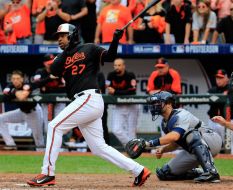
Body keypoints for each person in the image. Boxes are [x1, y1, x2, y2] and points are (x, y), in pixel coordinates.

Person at [26, 23, 151, 187]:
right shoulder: (62, 56)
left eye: (63, 36)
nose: (59, 39)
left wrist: (115, 39)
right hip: (84, 102)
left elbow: (111, 56)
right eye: (58, 37)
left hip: (88, 98)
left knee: (55, 126)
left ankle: (48, 173)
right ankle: (139, 170)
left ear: (72, 35)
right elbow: (54, 70)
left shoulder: (90, 48)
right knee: (98, 147)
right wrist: (67, 51)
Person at [145, 91, 222, 182]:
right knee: (165, 173)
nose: (155, 105)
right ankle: (198, 172)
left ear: (169, 104)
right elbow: (176, 143)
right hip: (194, 150)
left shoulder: (181, 114)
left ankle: (211, 172)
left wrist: (150, 143)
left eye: (158, 102)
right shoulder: (164, 124)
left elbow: (175, 136)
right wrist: (163, 149)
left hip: (212, 140)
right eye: (154, 103)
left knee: (191, 135)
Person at [0, 70, 44, 150]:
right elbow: (4, 95)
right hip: (21, 112)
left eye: (17, 78)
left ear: (22, 79)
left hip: (33, 112)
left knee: (38, 139)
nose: (15, 80)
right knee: (0, 119)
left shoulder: (26, 85)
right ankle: (11, 145)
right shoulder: (9, 86)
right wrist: (15, 92)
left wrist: (13, 92)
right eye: (13, 79)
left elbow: (22, 97)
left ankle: (41, 154)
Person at [106, 58, 139, 147]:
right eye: (115, 65)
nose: (117, 67)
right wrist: (113, 91)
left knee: (131, 131)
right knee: (116, 130)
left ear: (123, 66)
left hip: (131, 105)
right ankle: (132, 146)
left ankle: (133, 150)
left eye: (119, 65)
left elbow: (132, 91)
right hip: (119, 105)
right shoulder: (111, 75)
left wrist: (116, 92)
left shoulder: (130, 75)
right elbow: (108, 89)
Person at [32, 54, 66, 134]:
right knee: (47, 129)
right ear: (45, 63)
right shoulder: (40, 72)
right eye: (49, 63)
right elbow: (36, 84)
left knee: (60, 127)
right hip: (46, 102)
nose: (51, 65)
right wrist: (49, 78)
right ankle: (49, 145)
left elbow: (64, 86)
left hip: (59, 101)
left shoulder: (60, 71)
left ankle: (59, 146)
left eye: (52, 63)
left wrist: (47, 87)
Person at [207, 69, 233, 153]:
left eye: (221, 78)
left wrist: (218, 98)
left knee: (229, 145)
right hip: (212, 121)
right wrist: (221, 97)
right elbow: (210, 103)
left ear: (227, 78)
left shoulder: (231, 89)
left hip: (226, 121)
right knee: (211, 145)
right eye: (217, 78)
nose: (218, 80)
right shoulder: (212, 90)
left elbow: (231, 102)